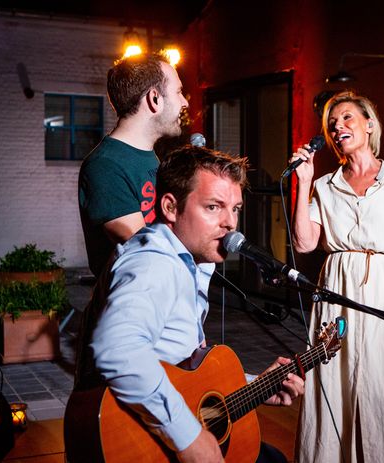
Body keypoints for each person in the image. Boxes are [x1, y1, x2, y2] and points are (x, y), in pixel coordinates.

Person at [76, 146, 304, 463]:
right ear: (170, 207)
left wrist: (256, 386)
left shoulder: (190, 260)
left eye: (235, 209)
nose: (230, 223)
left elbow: (181, 368)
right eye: (213, 207)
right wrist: (189, 437)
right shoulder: (155, 262)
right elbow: (118, 349)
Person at [290, 91, 384, 462]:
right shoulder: (324, 186)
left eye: (347, 118)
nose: (338, 127)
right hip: (337, 290)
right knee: (334, 383)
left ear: (370, 125)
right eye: (332, 124)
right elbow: (304, 244)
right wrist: (303, 181)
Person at [79, 52, 189, 277]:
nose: (185, 102)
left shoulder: (148, 157)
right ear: (155, 99)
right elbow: (144, 248)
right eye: (178, 92)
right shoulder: (105, 166)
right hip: (134, 306)